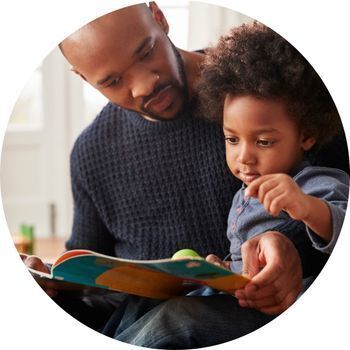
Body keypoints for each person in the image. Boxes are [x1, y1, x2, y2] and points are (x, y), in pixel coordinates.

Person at [21, 3, 348, 348]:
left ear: (159, 17)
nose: (144, 84)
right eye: (113, 81)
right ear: (83, 77)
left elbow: (331, 205)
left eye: (146, 51)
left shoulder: (275, 91)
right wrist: (51, 292)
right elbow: (95, 291)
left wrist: (293, 252)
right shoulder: (91, 154)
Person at [195, 22, 348, 282]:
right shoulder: (241, 197)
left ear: (307, 135)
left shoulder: (314, 183)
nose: (244, 156)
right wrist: (222, 268)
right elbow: (246, 265)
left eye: (264, 142)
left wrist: (307, 207)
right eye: (232, 139)